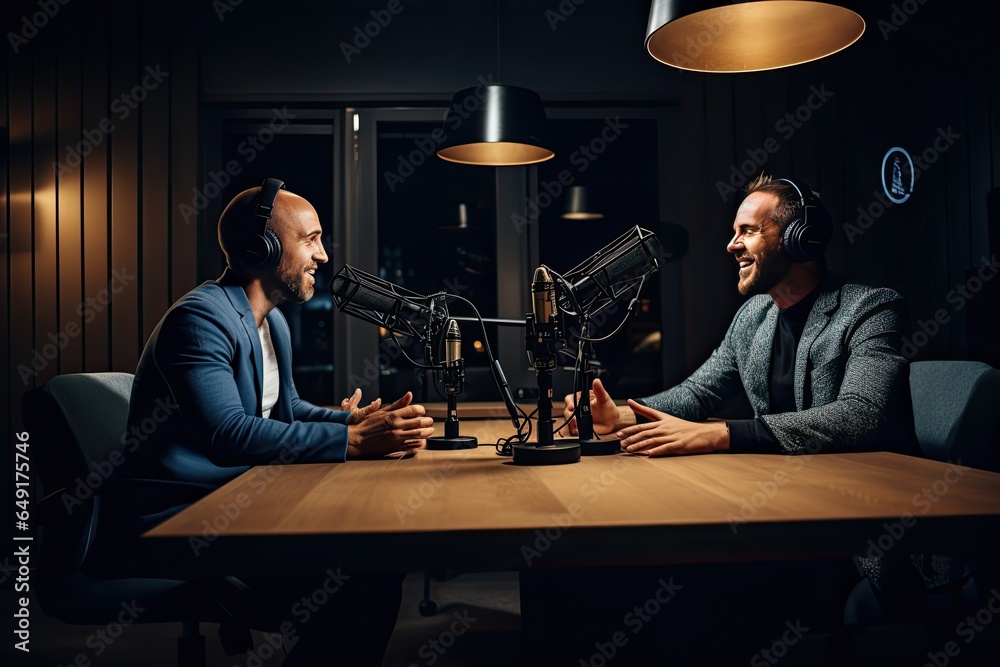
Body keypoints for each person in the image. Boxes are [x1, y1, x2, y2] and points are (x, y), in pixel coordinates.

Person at [98, 179, 435, 665]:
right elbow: (228, 433)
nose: (322, 255)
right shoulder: (200, 318)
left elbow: (286, 409)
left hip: (236, 501)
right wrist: (356, 443)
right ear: (264, 246)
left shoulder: (272, 321)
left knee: (375, 564)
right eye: (311, 239)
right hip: (181, 517)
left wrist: (349, 422)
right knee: (362, 579)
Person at [565, 172, 915, 458]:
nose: (731, 245)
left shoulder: (871, 309)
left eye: (747, 231)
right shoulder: (754, 315)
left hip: (863, 492)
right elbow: (699, 393)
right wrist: (622, 415)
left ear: (800, 239)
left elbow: (862, 415)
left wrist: (721, 434)